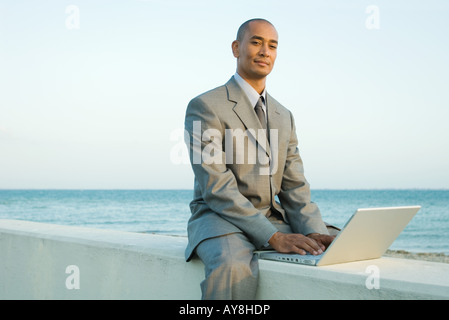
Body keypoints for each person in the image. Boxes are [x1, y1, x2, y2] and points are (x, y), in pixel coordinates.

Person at [183, 18, 336, 300]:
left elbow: (294, 186)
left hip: (270, 216)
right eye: (256, 42)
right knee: (231, 266)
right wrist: (274, 237)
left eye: (272, 45)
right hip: (219, 218)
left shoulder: (283, 115)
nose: (265, 51)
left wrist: (314, 233)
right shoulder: (204, 106)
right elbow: (216, 187)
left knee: (338, 243)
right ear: (236, 48)